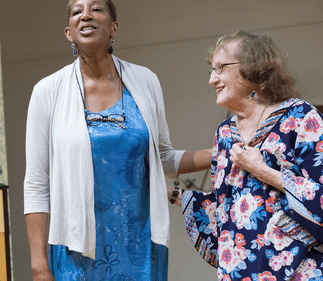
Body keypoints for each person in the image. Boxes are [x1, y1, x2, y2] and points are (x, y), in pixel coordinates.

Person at [24, 0, 212, 280]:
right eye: (77, 11)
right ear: (68, 32)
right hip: (76, 249)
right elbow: (37, 183)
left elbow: (162, 159)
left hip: (140, 246)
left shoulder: (145, 81)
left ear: (114, 27)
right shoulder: (47, 91)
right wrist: (39, 265)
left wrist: (223, 152)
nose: (86, 15)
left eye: (96, 8)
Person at [168, 30, 323, 280]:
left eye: (220, 68)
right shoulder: (225, 133)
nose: (212, 79)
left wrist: (263, 172)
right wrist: (169, 194)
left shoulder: (300, 116)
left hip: (301, 271)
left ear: (254, 68)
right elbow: (226, 210)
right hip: (242, 273)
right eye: (211, 70)